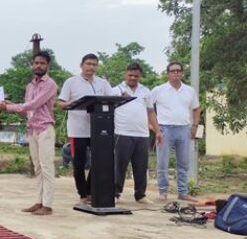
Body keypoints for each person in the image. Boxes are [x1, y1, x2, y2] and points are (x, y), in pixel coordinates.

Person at [0, 51, 57, 215]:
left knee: (46, 167)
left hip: (45, 128)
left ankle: (48, 205)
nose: (39, 66)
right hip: (32, 129)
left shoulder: (50, 84)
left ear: (47, 66)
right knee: (38, 168)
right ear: (32, 65)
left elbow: (33, 104)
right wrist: (12, 105)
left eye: (42, 63)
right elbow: (27, 111)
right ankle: (39, 202)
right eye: (36, 63)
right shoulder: (30, 86)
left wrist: (9, 107)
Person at [57, 53, 116, 205]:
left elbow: (113, 99)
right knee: (79, 163)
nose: (91, 67)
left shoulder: (102, 83)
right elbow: (60, 103)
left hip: (97, 129)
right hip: (77, 130)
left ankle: (90, 191)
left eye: (94, 64)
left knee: (100, 161)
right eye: (88, 64)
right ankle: (82, 195)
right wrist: (71, 104)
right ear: (81, 65)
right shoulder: (71, 82)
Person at [112, 62, 162, 205]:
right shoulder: (116, 90)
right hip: (122, 132)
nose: (133, 78)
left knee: (141, 166)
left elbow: (151, 112)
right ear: (125, 73)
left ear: (140, 76)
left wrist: (157, 131)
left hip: (142, 134)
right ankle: (115, 193)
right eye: (130, 75)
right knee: (119, 165)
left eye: (136, 76)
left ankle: (140, 195)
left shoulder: (146, 91)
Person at [151, 62, 200, 203]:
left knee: (184, 163)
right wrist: (153, 127)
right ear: (168, 73)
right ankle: (163, 192)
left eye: (178, 70)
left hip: (184, 129)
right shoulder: (158, 90)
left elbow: (196, 109)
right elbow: (147, 107)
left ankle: (183, 192)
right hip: (164, 129)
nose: (176, 73)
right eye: (173, 71)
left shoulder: (189, 91)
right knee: (162, 163)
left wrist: (195, 126)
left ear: (182, 73)